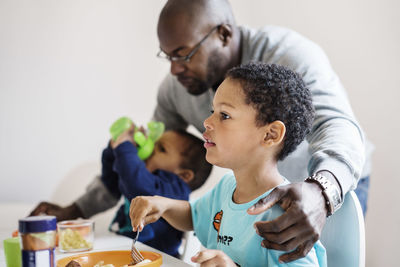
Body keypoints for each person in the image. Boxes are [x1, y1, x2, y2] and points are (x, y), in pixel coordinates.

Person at [31, 0, 372, 262]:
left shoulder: (288, 54)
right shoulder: (179, 94)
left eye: (184, 54)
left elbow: (337, 127)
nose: (175, 69)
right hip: (246, 199)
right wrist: (78, 209)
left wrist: (322, 191)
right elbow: (146, 160)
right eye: (167, 57)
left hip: (327, 183)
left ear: (223, 34)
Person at [129, 63, 327, 267]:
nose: (207, 121)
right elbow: (194, 216)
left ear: (270, 134)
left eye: (224, 115)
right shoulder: (226, 188)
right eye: (212, 111)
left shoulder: (283, 214)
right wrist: (163, 205)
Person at [31, 127, 212, 257]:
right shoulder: (140, 176)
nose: (149, 150)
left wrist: (126, 149)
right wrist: (115, 149)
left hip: (157, 258)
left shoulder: (174, 188)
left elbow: (139, 185)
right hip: (125, 251)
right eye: (153, 144)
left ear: (184, 175)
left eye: (161, 149)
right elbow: (112, 179)